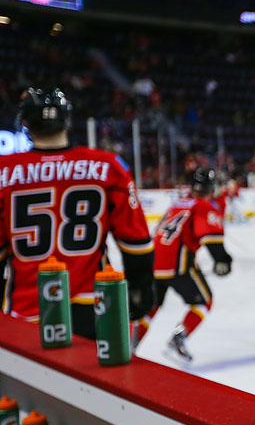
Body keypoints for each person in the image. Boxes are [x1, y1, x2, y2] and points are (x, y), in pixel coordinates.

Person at [0, 87, 154, 338]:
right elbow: (136, 242)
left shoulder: (4, 172)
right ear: (67, 120)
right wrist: (141, 289)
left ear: (25, 123)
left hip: (27, 312)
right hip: (97, 309)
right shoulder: (108, 166)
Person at [132, 168, 232, 362]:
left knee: (150, 307)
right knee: (204, 301)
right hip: (177, 265)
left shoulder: (177, 204)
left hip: (152, 261)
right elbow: (210, 238)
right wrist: (223, 260)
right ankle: (178, 339)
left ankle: (129, 345)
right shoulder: (201, 206)